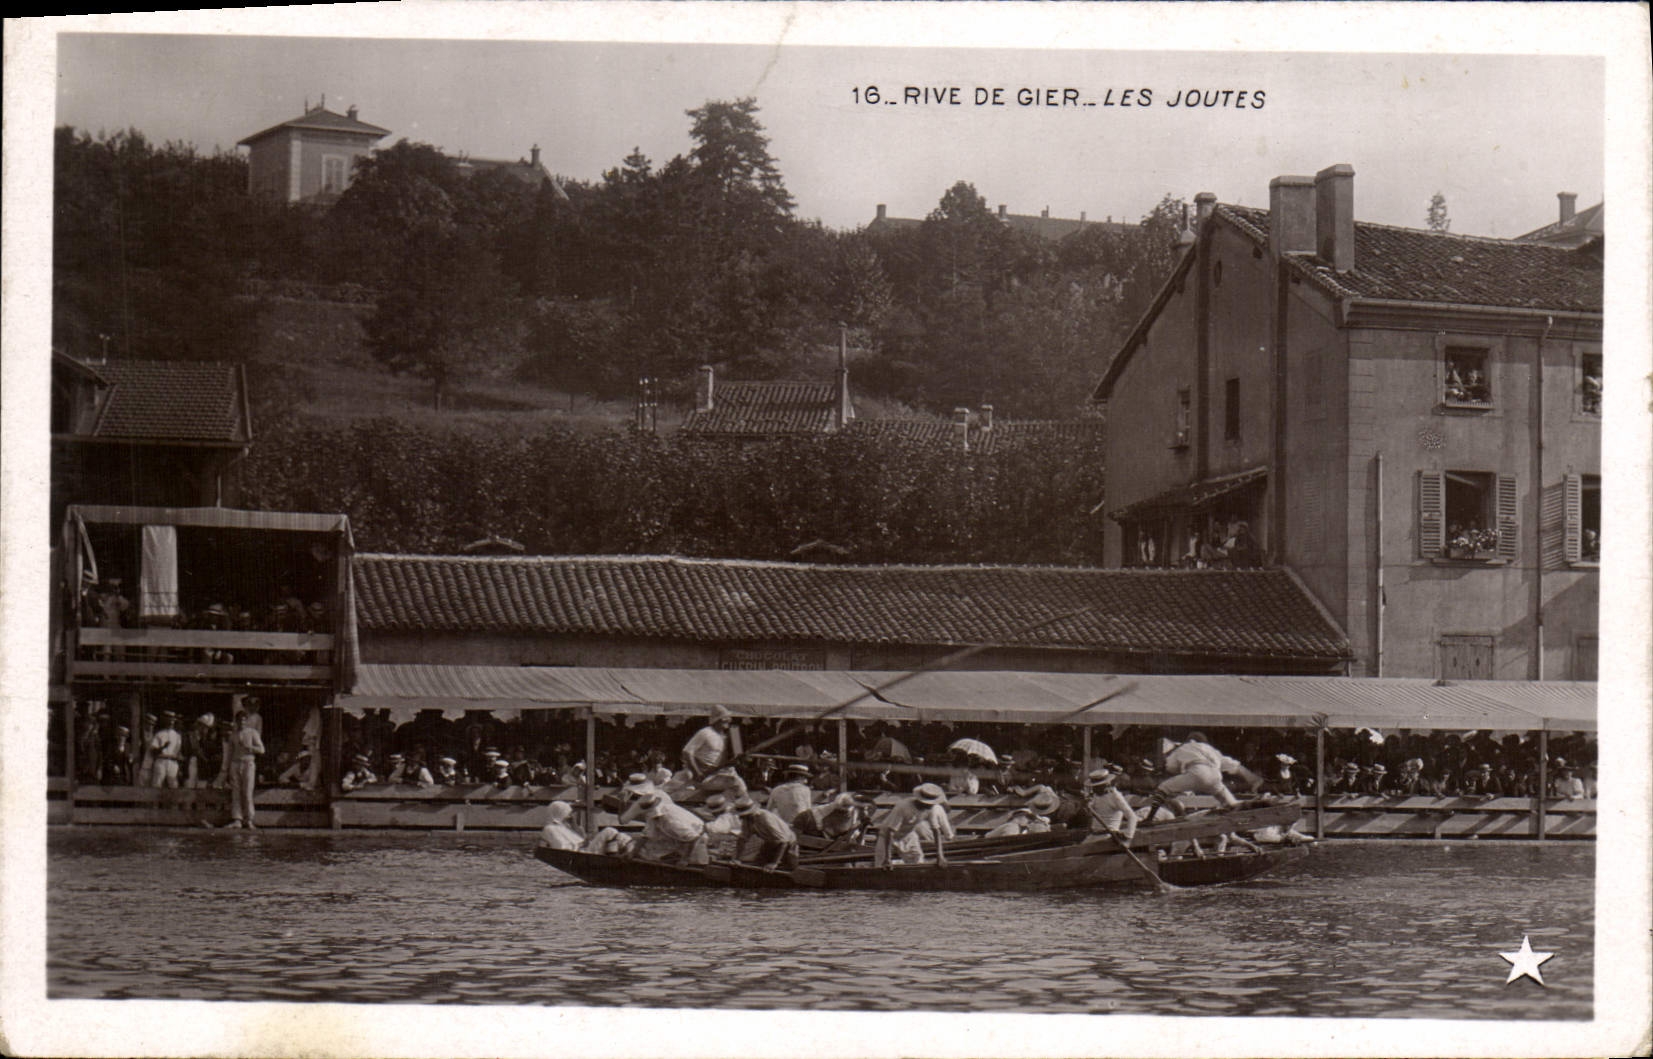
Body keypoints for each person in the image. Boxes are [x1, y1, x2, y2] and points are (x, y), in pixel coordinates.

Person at [1143, 731, 1243, 822]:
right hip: (1215, 776)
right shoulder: (1211, 750)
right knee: (1232, 803)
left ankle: (1150, 818)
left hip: (1196, 772)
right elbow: (1231, 765)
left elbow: (1171, 767)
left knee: (1162, 788)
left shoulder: (1184, 747)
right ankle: (1253, 803)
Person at [873, 783, 953, 868]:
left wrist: (940, 856)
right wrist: (887, 858)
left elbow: (936, 831)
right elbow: (890, 831)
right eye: (928, 803)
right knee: (882, 866)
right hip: (886, 836)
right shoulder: (903, 807)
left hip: (908, 835)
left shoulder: (931, 808)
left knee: (918, 861)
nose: (930, 805)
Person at [625, 792, 708, 865]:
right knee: (649, 851)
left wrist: (684, 860)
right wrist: (634, 852)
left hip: (698, 836)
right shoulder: (653, 816)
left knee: (694, 860)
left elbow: (694, 838)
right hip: (678, 834)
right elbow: (646, 834)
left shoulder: (671, 821)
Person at [734, 797, 799, 871]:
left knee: (789, 868)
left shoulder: (765, 818)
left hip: (788, 842)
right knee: (759, 864)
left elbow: (783, 841)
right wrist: (737, 859)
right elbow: (742, 839)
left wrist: (774, 863)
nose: (743, 817)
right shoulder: (747, 820)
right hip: (770, 841)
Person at [226, 710, 265, 830]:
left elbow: (262, 749)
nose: (241, 722)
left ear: (247, 721)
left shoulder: (252, 732)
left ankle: (249, 819)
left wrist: (250, 748)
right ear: (236, 721)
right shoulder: (233, 734)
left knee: (247, 792)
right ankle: (237, 819)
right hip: (235, 763)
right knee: (236, 792)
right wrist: (227, 768)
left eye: (244, 720)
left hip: (248, 763)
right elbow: (230, 753)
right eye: (239, 720)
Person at [1083, 765, 1140, 845]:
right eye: (1094, 787)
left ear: (1106, 784)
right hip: (1094, 835)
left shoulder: (1115, 796)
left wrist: (1127, 837)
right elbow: (1092, 814)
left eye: (1098, 787)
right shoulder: (1096, 795)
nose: (1095, 789)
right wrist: (1088, 807)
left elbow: (1132, 817)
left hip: (1108, 837)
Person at [698, 792, 743, 860]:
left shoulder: (725, 816)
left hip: (739, 838)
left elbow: (716, 828)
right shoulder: (732, 808)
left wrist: (702, 826)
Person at [148, 711, 183, 789]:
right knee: (156, 785)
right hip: (161, 761)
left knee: (173, 786)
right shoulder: (159, 734)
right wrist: (163, 747)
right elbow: (153, 750)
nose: (171, 722)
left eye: (172, 720)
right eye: (169, 720)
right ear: (165, 721)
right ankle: (154, 801)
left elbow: (179, 752)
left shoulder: (177, 736)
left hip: (173, 762)